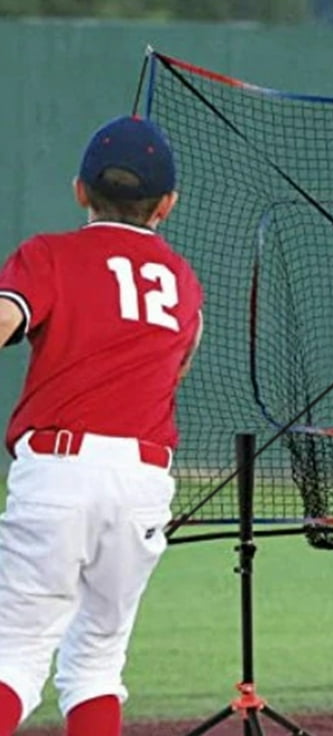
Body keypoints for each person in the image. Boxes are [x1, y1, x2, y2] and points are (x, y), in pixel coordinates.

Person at [0, 115, 203, 736]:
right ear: (166, 205)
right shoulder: (183, 283)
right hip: (142, 479)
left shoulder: (48, 256)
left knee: (14, 654)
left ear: (80, 190)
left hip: (58, 470)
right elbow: (178, 366)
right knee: (96, 662)